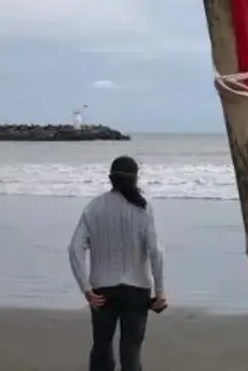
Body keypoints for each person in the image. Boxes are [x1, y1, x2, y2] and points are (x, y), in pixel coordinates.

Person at [68, 155, 166, 371]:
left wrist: (86, 289)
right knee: (131, 352)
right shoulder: (143, 208)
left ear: (110, 178)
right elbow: (156, 251)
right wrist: (160, 291)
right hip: (137, 289)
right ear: (135, 178)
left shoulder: (94, 207)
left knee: (102, 348)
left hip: (102, 289)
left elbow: (74, 248)